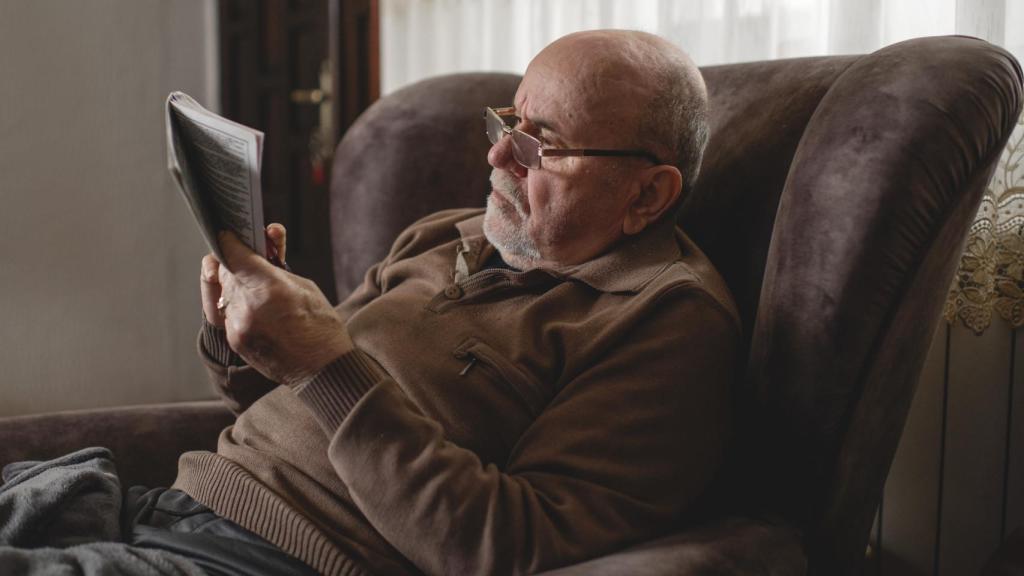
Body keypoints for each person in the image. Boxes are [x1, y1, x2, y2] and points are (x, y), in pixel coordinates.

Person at [0, 29, 738, 576]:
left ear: (648, 194)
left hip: (269, 561)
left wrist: (324, 361)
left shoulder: (665, 323)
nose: (495, 157)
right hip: (158, 504)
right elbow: (296, 398)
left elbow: (507, 548)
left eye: (539, 145)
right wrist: (243, 335)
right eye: (505, 122)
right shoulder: (444, 233)